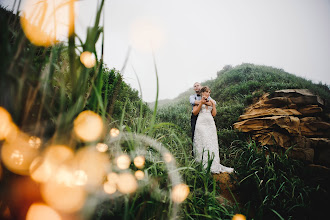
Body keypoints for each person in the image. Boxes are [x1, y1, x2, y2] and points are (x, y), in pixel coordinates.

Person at [192, 86, 234, 173]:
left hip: (210, 124)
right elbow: (195, 112)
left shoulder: (211, 101)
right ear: (202, 92)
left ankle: (213, 164)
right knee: (204, 141)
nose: (208, 93)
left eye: (209, 92)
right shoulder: (198, 101)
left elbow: (214, 114)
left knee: (212, 142)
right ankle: (202, 164)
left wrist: (213, 105)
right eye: (206, 92)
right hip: (201, 123)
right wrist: (201, 103)